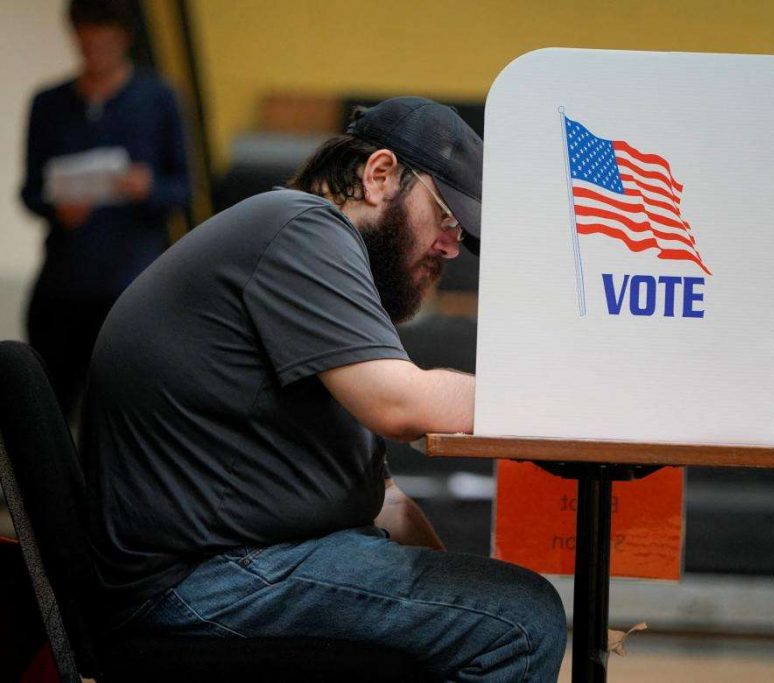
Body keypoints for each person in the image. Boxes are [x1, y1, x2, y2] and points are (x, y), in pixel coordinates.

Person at [82, 96, 567, 681]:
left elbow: (384, 500)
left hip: (234, 566)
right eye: (444, 218)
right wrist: (554, 399)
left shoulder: (313, 268)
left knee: (499, 606)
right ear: (380, 174)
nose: (450, 246)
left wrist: (458, 592)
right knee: (521, 619)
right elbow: (399, 403)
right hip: (202, 581)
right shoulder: (303, 225)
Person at [20, 0, 190, 417]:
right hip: (66, 278)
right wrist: (55, 206)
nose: (94, 54)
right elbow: (29, 190)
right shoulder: (50, 103)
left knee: (123, 403)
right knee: (51, 398)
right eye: (86, 44)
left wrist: (146, 188)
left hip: (132, 277)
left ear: (124, 40)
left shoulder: (158, 99)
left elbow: (182, 188)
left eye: (105, 44)